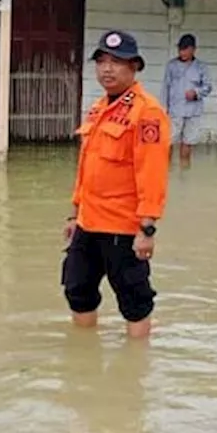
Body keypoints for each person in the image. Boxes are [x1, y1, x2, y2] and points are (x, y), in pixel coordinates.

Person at [61, 30, 172, 339]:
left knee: (135, 300)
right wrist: (74, 214)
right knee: (76, 289)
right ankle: (84, 357)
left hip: (123, 228)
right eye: (101, 61)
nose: (107, 69)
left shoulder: (147, 112)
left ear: (134, 67)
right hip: (88, 222)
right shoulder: (98, 109)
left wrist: (147, 229)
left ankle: (135, 369)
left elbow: (152, 173)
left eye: (117, 62)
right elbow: (86, 168)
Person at [160, 33, 212, 166]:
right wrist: (163, 109)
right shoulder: (171, 66)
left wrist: (196, 93)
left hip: (193, 111)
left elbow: (208, 87)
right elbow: (165, 87)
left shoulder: (201, 67)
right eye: (180, 49)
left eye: (185, 49)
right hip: (175, 111)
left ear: (193, 50)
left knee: (188, 142)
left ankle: (185, 172)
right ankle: (167, 170)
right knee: (168, 141)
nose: (182, 52)